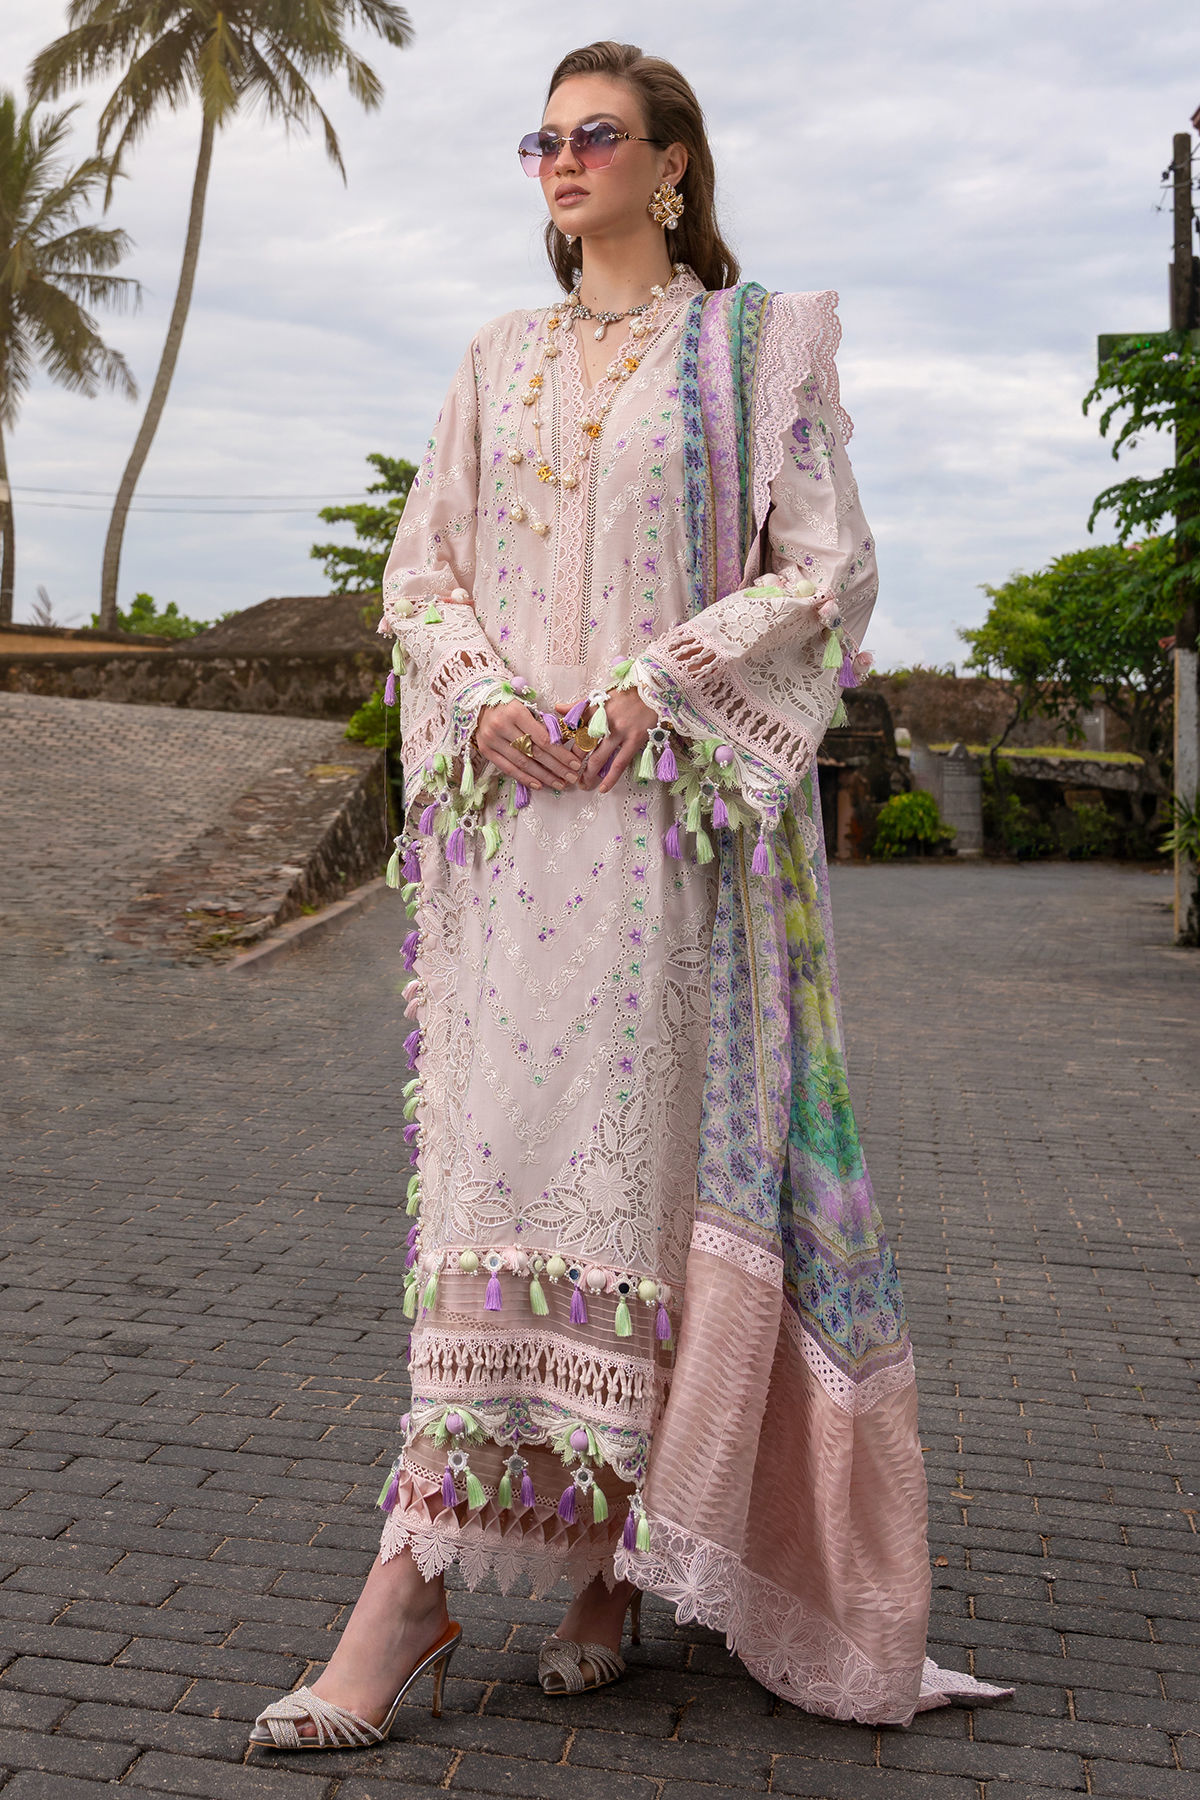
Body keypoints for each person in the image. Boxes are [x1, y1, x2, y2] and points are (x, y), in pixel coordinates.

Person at [249, 38, 1009, 1753]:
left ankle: (594, 1565)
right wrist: (484, 696)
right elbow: (420, 569)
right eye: (541, 140)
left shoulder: (750, 350)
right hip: (518, 845)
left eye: (596, 135)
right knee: (503, 1186)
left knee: (650, 1192)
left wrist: (651, 688)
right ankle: (430, 1574)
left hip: (672, 842)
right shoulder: (494, 356)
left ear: (672, 164)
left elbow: (828, 569)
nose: (562, 160)